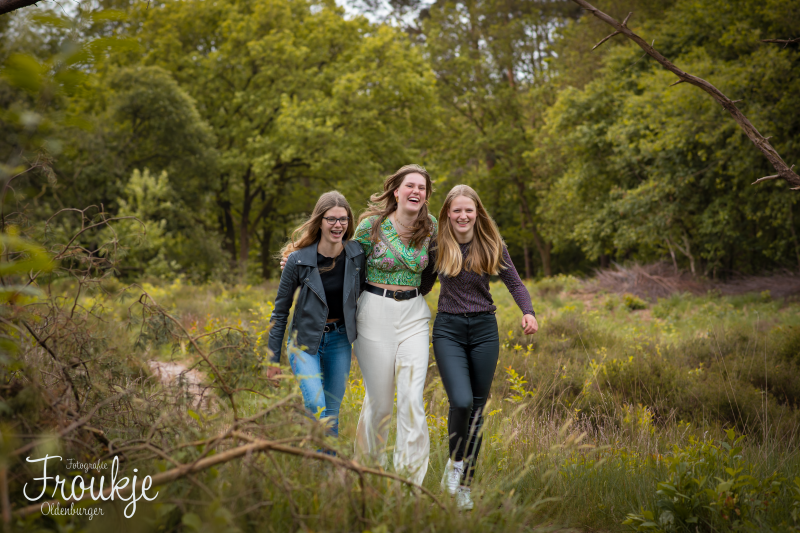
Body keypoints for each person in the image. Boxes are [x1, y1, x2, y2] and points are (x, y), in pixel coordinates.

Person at [431, 184, 538, 510]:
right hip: (447, 329)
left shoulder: (491, 244)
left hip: (483, 331)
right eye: (457, 210)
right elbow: (417, 281)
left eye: (469, 210)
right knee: (460, 402)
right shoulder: (437, 245)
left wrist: (528, 311)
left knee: (477, 409)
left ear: (477, 213)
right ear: (448, 214)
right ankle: (455, 463)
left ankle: (465, 485)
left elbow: (515, 282)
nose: (463, 215)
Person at [351, 164, 438, 485]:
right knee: (380, 401)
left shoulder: (431, 228)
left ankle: (409, 484)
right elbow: (346, 267)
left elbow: (434, 272)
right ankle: (367, 474)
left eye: (422, 187)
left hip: (413, 313)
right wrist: (295, 258)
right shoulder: (369, 226)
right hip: (374, 311)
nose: (416, 191)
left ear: (426, 195)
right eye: (410, 186)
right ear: (396, 191)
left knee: (412, 399)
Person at [268, 191, 366, 441]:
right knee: (317, 405)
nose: (338, 225)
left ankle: (326, 471)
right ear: (319, 221)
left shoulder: (356, 255)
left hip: (340, 341)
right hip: (304, 342)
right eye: (331, 219)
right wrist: (272, 360)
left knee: (331, 412)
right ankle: (319, 454)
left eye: (343, 219)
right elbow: (280, 312)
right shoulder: (298, 261)